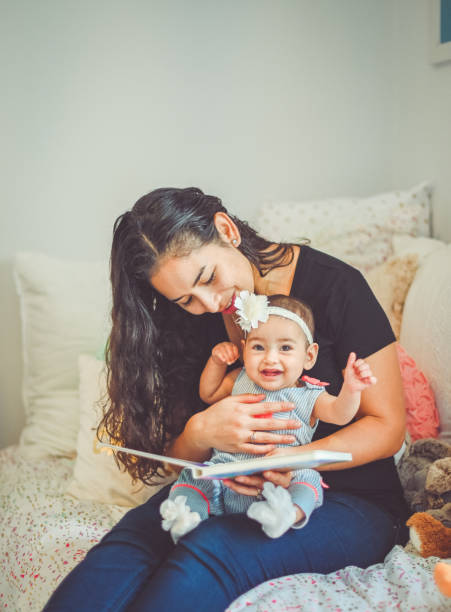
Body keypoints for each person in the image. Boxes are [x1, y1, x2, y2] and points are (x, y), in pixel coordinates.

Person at [44, 187, 408, 612]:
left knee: (211, 549)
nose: (212, 303)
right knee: (128, 546)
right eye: (186, 300)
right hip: (222, 484)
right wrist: (202, 430)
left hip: (348, 501)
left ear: (226, 229)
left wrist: (289, 461)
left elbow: (388, 426)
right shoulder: (189, 320)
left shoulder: (336, 285)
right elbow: (175, 456)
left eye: (208, 278)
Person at [160, 292, 377, 541]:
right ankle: (186, 516)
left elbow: (340, 415)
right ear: (244, 351)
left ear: (309, 356)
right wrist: (216, 362)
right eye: (258, 347)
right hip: (228, 472)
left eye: (285, 348)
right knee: (195, 476)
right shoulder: (239, 378)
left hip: (280, 481)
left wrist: (351, 389)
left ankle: (285, 514)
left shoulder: (310, 395)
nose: (270, 358)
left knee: (309, 481)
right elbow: (208, 394)